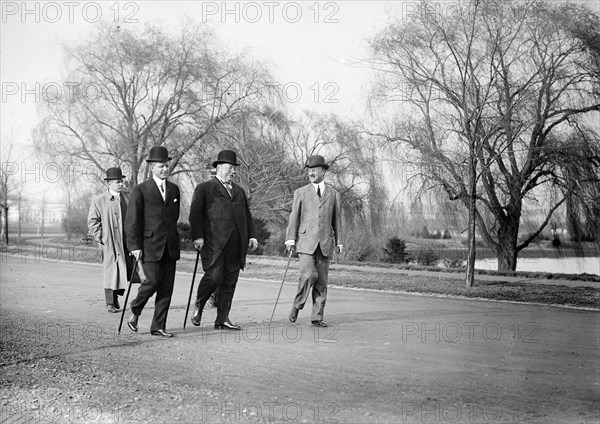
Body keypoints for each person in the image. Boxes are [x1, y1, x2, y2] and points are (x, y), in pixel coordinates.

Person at [189, 149, 258, 330]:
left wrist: (252, 235)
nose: (233, 171)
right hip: (214, 243)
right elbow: (195, 214)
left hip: (237, 244)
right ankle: (199, 304)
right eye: (229, 168)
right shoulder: (205, 188)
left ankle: (222, 318)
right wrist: (197, 236)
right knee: (214, 277)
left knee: (230, 281)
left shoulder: (239, 191)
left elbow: (246, 216)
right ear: (218, 167)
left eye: (234, 168)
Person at [125, 146, 181, 337]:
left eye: (166, 165)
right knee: (151, 282)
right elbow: (132, 221)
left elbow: (173, 218)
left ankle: (158, 326)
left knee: (166, 289)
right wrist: (134, 246)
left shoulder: (174, 190)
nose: (164, 169)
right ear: (151, 168)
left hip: (170, 247)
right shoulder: (141, 190)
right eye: (160, 166)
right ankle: (135, 308)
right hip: (149, 247)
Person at [285, 155, 343, 327]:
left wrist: (339, 242)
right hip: (305, 242)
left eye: (315, 169)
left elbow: (337, 220)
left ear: (323, 171)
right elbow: (294, 217)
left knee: (322, 282)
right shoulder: (300, 193)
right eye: (309, 170)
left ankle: (317, 317)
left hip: (325, 243)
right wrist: (290, 239)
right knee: (309, 274)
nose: (311, 172)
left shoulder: (334, 194)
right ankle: (297, 305)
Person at [88, 167, 131, 313]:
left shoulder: (127, 198)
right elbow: (93, 221)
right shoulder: (99, 200)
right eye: (117, 182)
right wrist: (102, 238)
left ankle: (117, 296)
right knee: (110, 271)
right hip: (110, 242)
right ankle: (110, 303)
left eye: (121, 181)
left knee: (125, 270)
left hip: (125, 241)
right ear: (109, 184)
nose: (120, 184)